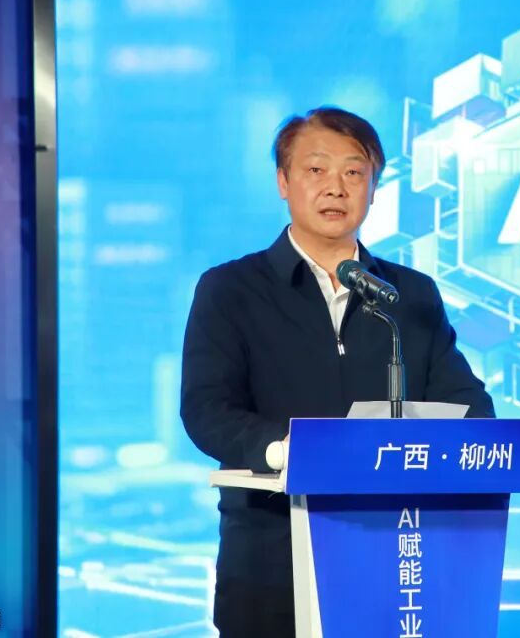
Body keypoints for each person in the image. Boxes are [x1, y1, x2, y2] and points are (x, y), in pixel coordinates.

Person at [180, 106, 495, 637]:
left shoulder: (408, 296)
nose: (336, 187)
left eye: (354, 172)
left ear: (374, 188)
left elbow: (470, 407)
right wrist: (284, 449)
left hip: (395, 561)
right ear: (283, 182)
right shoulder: (231, 289)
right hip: (272, 559)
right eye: (316, 169)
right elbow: (207, 409)